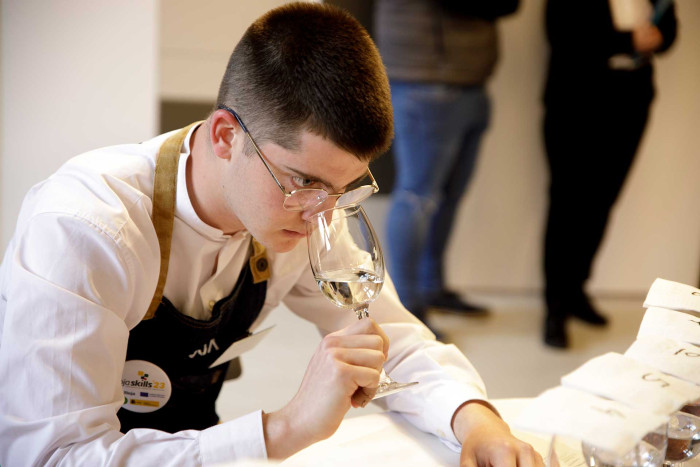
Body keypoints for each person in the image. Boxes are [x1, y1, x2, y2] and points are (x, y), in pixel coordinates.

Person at [0, 3, 542, 466]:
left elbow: (389, 339)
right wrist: (284, 429)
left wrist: (478, 424)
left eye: (343, 188)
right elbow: (55, 457)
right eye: (303, 181)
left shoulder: (311, 212)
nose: (322, 213)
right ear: (225, 135)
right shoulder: (84, 229)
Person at [374, 0, 519, 328]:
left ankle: (430, 288)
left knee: (446, 198)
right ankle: (406, 307)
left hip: (470, 80)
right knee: (417, 198)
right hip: (425, 80)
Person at [542, 0, 677, 348]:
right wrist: (628, 41)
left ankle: (576, 291)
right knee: (566, 203)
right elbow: (562, 33)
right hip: (577, 99)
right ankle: (554, 307)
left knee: (603, 202)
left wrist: (657, 37)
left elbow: (670, 31)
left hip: (631, 97)